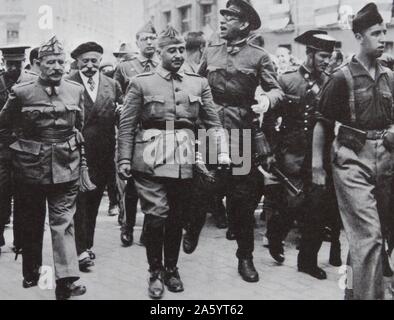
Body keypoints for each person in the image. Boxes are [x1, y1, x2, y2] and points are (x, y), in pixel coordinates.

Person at [117, 25, 230, 299]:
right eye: (172, 50)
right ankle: (154, 272)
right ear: (159, 53)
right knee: (156, 217)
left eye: (181, 49)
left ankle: (172, 268)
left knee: (177, 217)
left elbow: (213, 122)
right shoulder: (141, 82)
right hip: (150, 159)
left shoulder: (198, 83)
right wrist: (123, 159)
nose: (178, 54)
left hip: (184, 158)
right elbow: (127, 125)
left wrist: (223, 152)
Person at [191, 0, 284, 283]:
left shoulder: (258, 56)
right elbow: (195, 84)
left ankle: (245, 257)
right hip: (211, 130)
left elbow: (276, 90)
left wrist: (266, 101)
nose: (223, 21)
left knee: (242, 201)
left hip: (242, 134)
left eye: (229, 17)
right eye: (223, 16)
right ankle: (193, 227)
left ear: (244, 24)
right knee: (205, 186)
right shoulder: (211, 51)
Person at [314, 3, 394, 299]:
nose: (383, 37)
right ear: (359, 37)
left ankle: (350, 292)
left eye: (384, 31)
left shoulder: (389, 76)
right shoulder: (341, 77)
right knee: (369, 237)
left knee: (370, 238)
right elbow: (322, 124)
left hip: (386, 160)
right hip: (351, 160)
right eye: (376, 33)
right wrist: (317, 168)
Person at [0, 36, 86, 300]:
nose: (57, 67)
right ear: (38, 64)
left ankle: (66, 280)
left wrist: (77, 155)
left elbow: (78, 125)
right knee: (31, 221)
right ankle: (31, 269)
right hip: (30, 167)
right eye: (51, 62)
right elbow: (3, 126)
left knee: (63, 223)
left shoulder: (75, 90)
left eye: (61, 61)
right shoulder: (23, 91)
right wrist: (19, 149)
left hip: (66, 165)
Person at [263, 30, 339, 280]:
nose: (327, 61)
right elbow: (270, 121)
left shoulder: (331, 82)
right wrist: (271, 152)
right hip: (291, 154)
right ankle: (275, 234)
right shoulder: (287, 81)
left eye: (330, 57)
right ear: (309, 53)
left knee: (317, 209)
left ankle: (307, 260)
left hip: (320, 156)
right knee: (292, 204)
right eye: (322, 56)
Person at [68, 42, 123, 271]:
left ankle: (86, 245)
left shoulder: (113, 84)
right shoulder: (68, 83)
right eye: (85, 61)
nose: (90, 65)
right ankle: (80, 249)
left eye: (95, 61)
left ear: (100, 61)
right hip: (76, 154)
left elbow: (121, 116)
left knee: (92, 202)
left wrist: (121, 113)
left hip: (103, 153)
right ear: (77, 61)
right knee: (78, 202)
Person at [115, 22, 160, 248]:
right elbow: (115, 94)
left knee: (154, 183)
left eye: (153, 38)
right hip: (134, 131)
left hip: (156, 133)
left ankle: (148, 230)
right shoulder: (126, 67)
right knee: (130, 184)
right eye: (145, 39)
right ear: (137, 41)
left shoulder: (163, 65)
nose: (150, 42)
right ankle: (127, 227)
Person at [0, 44, 30, 257]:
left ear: (23, 62)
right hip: (1, 148)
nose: (13, 68)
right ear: (3, 62)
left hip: (25, 148)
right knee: (1, 193)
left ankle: (20, 239)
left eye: (17, 64)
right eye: (10, 64)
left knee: (24, 195)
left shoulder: (31, 82)